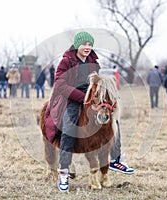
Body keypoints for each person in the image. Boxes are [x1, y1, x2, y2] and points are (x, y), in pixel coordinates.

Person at [44, 31, 134, 192]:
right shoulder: (66, 61)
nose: (87, 47)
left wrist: (102, 91)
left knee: (114, 121)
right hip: (71, 99)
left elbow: (95, 82)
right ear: (77, 45)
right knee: (70, 128)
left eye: (90, 44)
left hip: (91, 99)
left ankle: (116, 159)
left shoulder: (94, 61)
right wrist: (83, 97)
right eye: (84, 44)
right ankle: (64, 172)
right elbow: (60, 85)